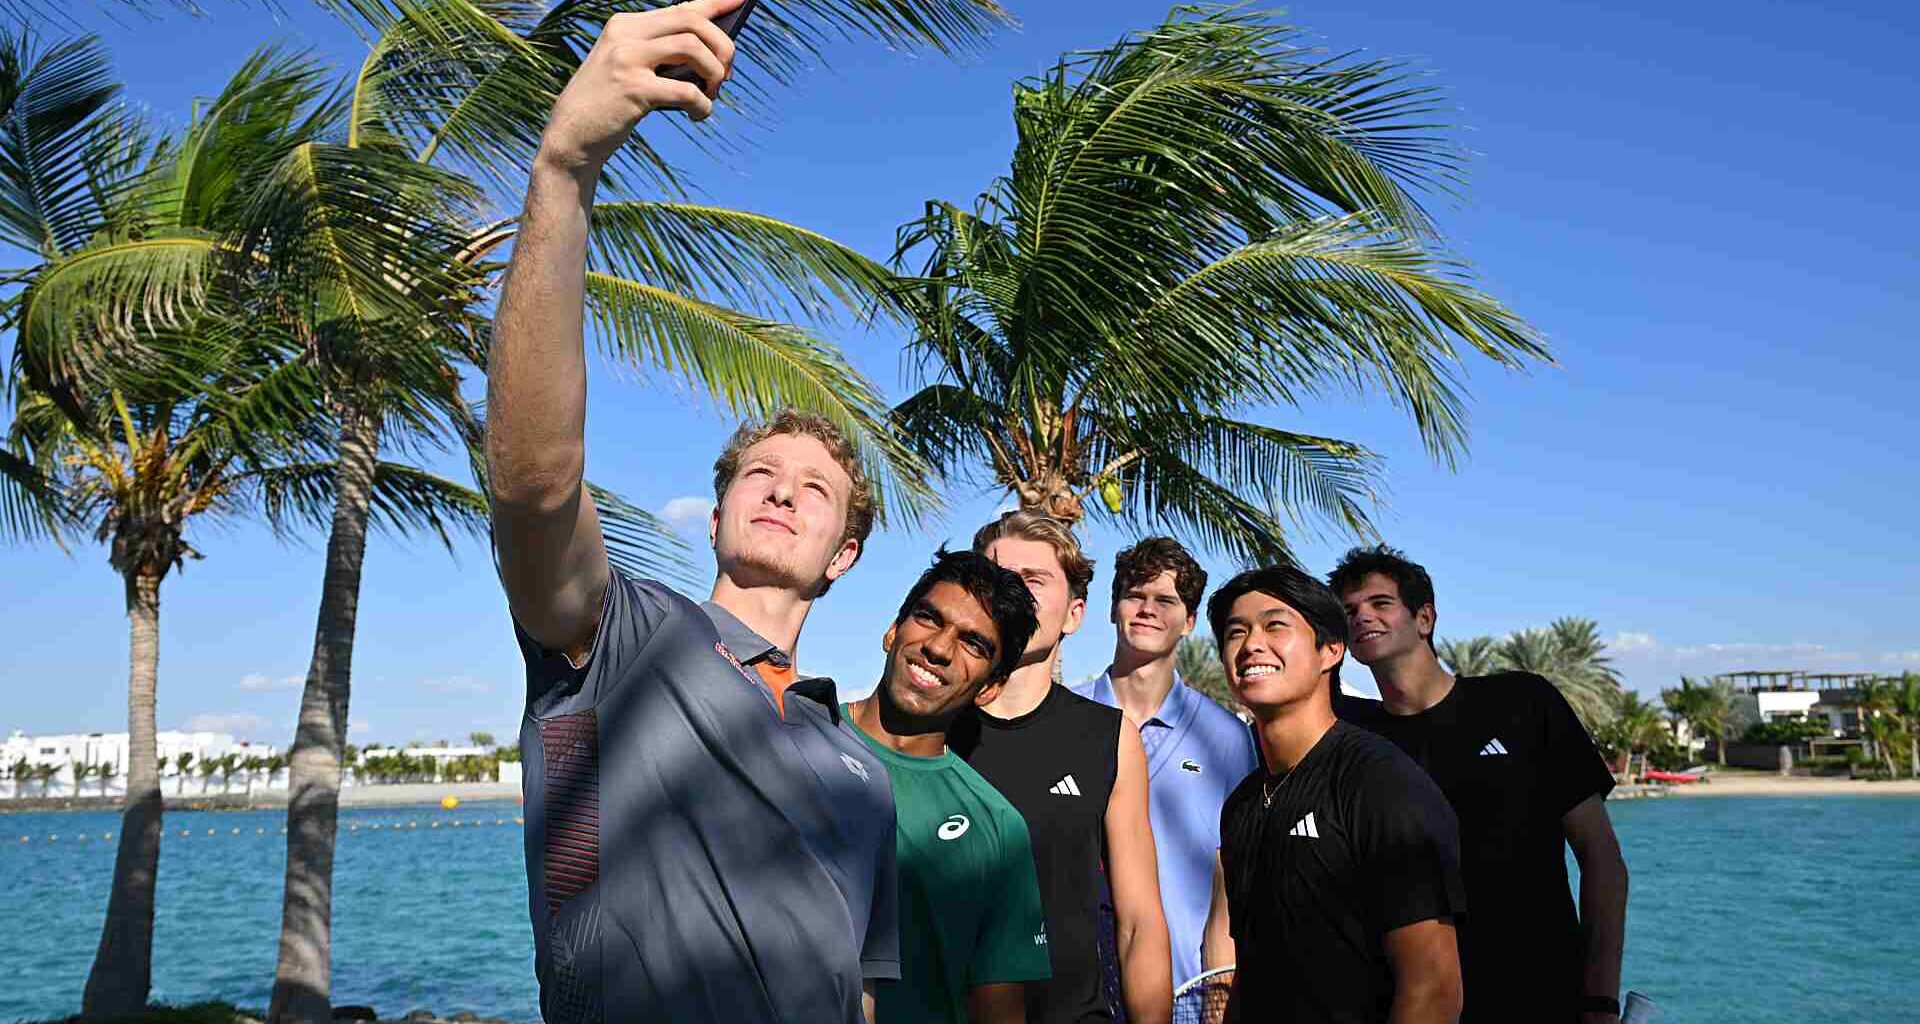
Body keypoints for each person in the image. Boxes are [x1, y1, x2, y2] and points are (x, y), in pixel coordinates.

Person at [486, 4, 896, 1020]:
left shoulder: (863, 768)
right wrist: (564, 170)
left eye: (816, 488)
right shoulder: (616, 635)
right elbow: (535, 486)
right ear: (714, 518)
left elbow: (860, 986)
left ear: (843, 554)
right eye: (760, 473)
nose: (785, 489)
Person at [1329, 545, 1629, 1024]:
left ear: (1424, 617)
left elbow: (1602, 859)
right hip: (1406, 1003)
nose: (1362, 616)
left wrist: (1599, 1000)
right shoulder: (1351, 736)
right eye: (1348, 611)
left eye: (1380, 603)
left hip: (1540, 994)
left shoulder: (1523, 705)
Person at [1210, 565, 1466, 1024]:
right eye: (1235, 632)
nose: (1251, 645)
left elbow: (1434, 991)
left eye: (1275, 626)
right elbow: (1254, 969)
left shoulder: (1380, 783)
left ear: (1330, 650)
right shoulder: (1242, 805)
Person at [951, 511, 1173, 1024]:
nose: (1014, 590)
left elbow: (1139, 921)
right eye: (998, 576)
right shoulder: (927, 727)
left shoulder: (1110, 738)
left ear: (1074, 613)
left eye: (1035, 579)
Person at [843, 550, 1054, 1024]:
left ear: (990, 688)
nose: (939, 647)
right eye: (928, 618)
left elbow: (998, 1013)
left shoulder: (999, 829)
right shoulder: (790, 738)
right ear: (892, 630)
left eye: (974, 644)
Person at [1071, 537, 1257, 989]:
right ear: (1113, 608)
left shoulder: (1227, 738)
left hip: (1186, 994)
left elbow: (1230, 887)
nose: (1148, 609)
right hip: (1074, 997)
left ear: (1189, 622)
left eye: (1166, 601)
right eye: (1135, 596)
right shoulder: (1065, 719)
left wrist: (1218, 993)